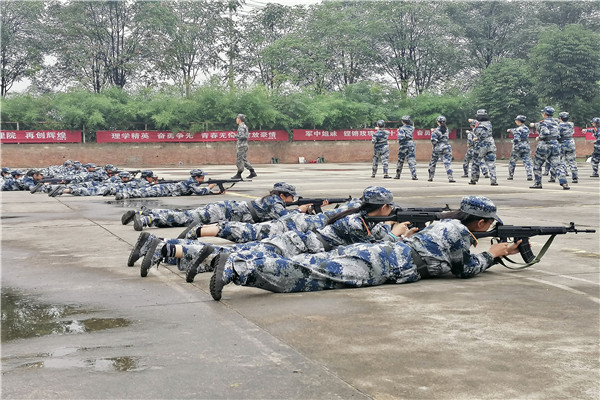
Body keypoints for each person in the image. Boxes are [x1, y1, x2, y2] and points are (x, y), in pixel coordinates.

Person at [208, 195, 521, 300]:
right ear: (480, 222)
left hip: (382, 253)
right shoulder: (459, 233)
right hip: (385, 264)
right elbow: (463, 269)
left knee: (314, 261)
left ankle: (231, 260)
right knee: (312, 274)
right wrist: (492, 255)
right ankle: (239, 269)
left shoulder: (444, 223)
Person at [136, 187, 417, 281]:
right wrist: (397, 233)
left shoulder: (356, 216)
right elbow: (377, 249)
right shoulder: (358, 223)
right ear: (383, 207)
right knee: (232, 255)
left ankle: (162, 247)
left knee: (233, 254)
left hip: (291, 243)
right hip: (293, 248)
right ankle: (161, 248)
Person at [122, 182, 308, 231]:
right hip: (222, 212)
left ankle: (145, 212)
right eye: (291, 197)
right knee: (186, 218)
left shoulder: (271, 200)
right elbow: (284, 218)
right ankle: (147, 219)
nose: (293, 199)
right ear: (283, 195)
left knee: (185, 215)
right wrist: (300, 210)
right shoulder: (275, 201)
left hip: (224, 209)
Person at [529, 107, 570, 190]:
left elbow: (545, 132)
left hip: (544, 145)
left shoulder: (543, 123)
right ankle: (564, 183)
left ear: (544, 114)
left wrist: (539, 138)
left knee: (537, 164)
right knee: (558, 165)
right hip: (555, 144)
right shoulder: (556, 122)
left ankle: (538, 183)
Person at [468, 109, 498, 186]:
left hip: (481, 145)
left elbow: (481, 134)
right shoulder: (489, 123)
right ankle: (493, 180)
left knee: (476, 163)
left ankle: (474, 179)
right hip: (491, 144)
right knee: (491, 163)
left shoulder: (477, 124)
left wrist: (477, 138)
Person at [549, 112, 578, 184]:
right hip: (571, 142)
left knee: (557, 160)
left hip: (561, 143)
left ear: (560, 118)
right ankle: (575, 177)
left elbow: (556, 134)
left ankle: (553, 177)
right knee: (572, 160)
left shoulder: (559, 126)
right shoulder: (571, 124)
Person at [427, 115, 455, 182]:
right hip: (447, 147)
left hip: (438, 147)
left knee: (433, 162)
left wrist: (433, 132)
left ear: (437, 122)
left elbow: (433, 140)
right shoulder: (447, 130)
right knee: (447, 162)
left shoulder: (436, 131)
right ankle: (450, 177)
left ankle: (430, 177)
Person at [506, 115, 533, 181]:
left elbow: (516, 138)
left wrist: (514, 141)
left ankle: (511, 175)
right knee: (527, 161)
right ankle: (529, 175)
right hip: (526, 145)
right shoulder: (526, 128)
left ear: (518, 121)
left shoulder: (518, 130)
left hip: (518, 147)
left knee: (513, 161)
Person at [231, 114, 257, 180]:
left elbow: (243, 136)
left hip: (242, 146)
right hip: (244, 145)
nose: (236, 120)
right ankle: (252, 172)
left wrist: (235, 136)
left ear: (239, 119)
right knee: (243, 160)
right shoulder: (243, 126)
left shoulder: (241, 127)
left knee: (239, 160)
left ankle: (239, 174)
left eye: (237, 118)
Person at [394, 115, 418, 180]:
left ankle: (398, 175)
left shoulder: (401, 129)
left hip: (404, 145)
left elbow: (401, 137)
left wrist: (398, 132)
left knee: (400, 160)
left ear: (403, 121)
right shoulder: (412, 128)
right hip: (411, 144)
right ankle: (414, 175)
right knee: (411, 159)